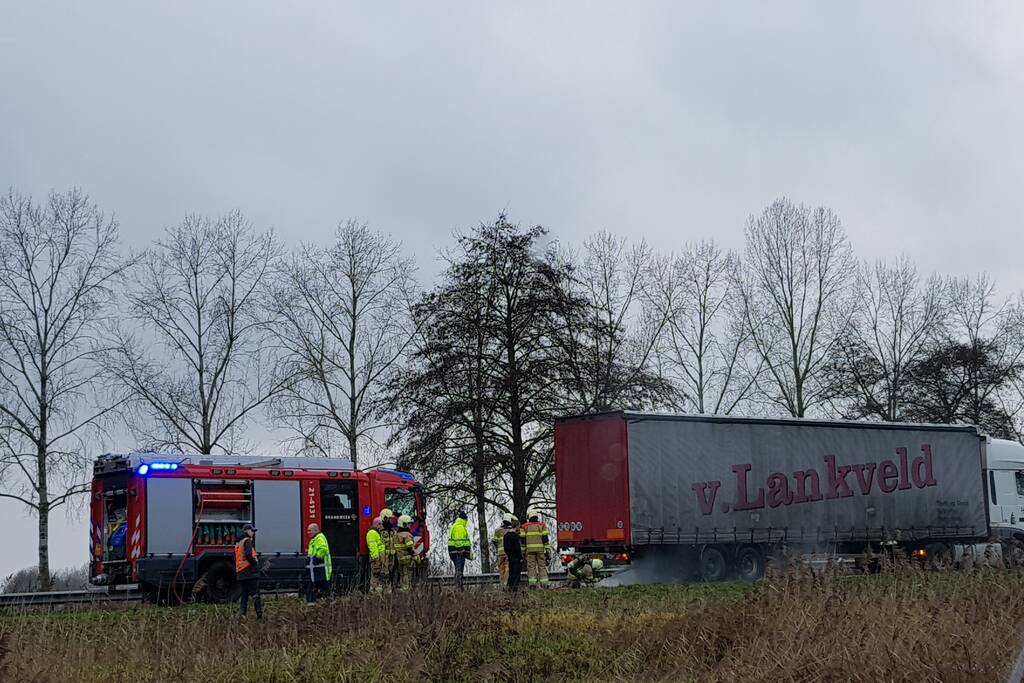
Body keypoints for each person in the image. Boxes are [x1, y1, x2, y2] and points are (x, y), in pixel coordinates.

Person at [234, 523, 262, 620]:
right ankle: (259, 616)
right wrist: (255, 563)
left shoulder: (238, 542)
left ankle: (242, 615)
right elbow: (248, 555)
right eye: (252, 531)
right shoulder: (247, 541)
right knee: (256, 594)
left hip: (241, 573)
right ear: (247, 531)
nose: (253, 533)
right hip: (250, 573)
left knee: (244, 595)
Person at [520, 509, 550, 589]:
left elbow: (523, 541)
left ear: (529, 517)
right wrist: (547, 549)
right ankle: (545, 584)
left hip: (529, 551)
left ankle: (532, 585)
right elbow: (545, 538)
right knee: (542, 566)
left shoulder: (524, 526)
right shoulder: (542, 525)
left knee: (531, 567)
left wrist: (522, 552)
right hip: (540, 550)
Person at [306, 523, 332, 605]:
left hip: (321, 571)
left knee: (315, 591)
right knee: (318, 591)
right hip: (317, 571)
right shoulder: (315, 539)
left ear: (316, 530)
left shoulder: (319, 538)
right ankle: (323, 608)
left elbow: (323, 549)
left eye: (310, 530)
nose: (308, 532)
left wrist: (317, 558)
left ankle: (314, 608)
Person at [394, 515, 420, 592]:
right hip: (407, 560)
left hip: (399, 559)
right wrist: (416, 557)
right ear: (404, 524)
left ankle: (403, 588)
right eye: (409, 524)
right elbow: (410, 548)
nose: (410, 525)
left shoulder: (396, 535)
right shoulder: (407, 535)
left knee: (402, 575)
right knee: (407, 575)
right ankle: (406, 591)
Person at [447, 510, 472, 591]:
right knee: (459, 571)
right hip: (459, 553)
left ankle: (459, 587)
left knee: (458, 570)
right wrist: (462, 550)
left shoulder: (456, 525)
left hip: (455, 552)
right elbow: (458, 541)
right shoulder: (459, 527)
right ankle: (458, 588)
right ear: (464, 519)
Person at [366, 516, 389, 595]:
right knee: (375, 573)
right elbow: (372, 546)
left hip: (379, 557)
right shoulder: (372, 533)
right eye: (380, 524)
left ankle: (376, 589)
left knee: (377, 573)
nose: (382, 526)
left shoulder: (376, 532)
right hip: (377, 557)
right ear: (377, 524)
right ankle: (373, 590)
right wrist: (376, 557)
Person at [503, 516, 524, 592]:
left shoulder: (506, 536)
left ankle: (510, 587)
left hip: (510, 557)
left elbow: (505, 548)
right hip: (516, 558)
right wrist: (520, 557)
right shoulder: (515, 536)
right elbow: (517, 548)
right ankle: (515, 588)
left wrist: (509, 554)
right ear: (517, 526)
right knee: (516, 573)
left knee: (511, 573)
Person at [492, 513, 512, 589]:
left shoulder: (497, 530)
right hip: (508, 553)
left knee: (501, 569)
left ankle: (502, 585)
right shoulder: (510, 530)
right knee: (507, 568)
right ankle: (506, 584)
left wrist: (498, 547)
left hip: (500, 553)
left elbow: (494, 541)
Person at [380, 508, 397, 589]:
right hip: (384, 556)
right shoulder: (380, 530)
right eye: (390, 519)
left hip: (392, 556)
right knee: (384, 573)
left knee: (391, 573)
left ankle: (389, 588)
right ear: (385, 518)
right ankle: (385, 589)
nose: (392, 521)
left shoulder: (393, 531)